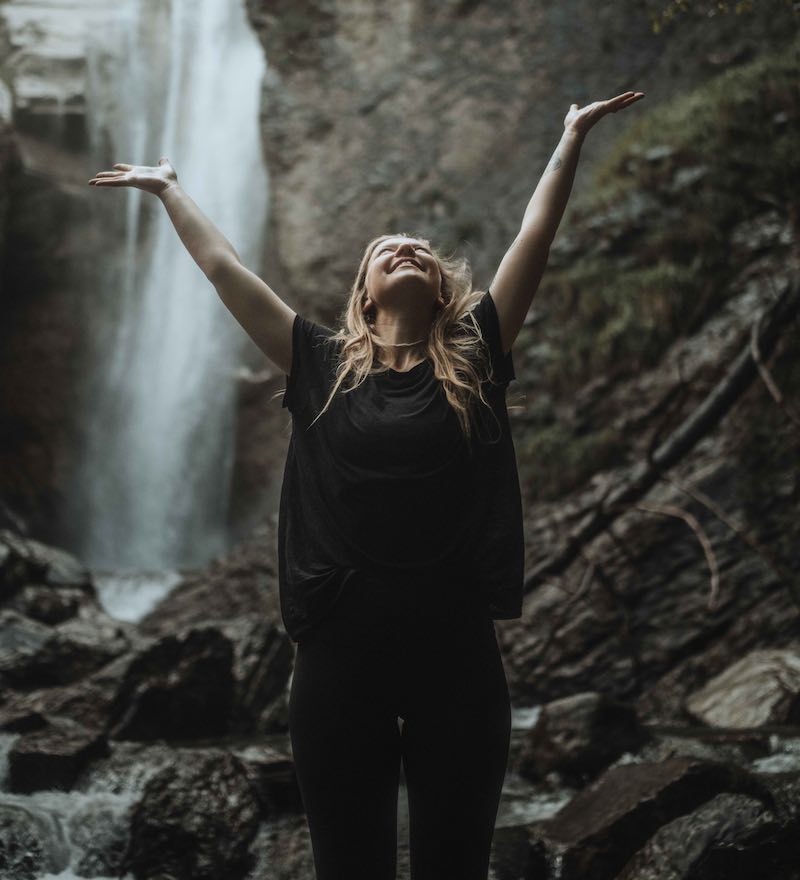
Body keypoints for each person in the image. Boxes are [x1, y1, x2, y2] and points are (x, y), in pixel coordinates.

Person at [88, 89, 644, 879]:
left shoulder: (480, 355)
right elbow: (224, 269)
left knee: (454, 865)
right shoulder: (317, 364)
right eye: (388, 248)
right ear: (363, 293)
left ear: (446, 291)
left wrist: (570, 136)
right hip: (339, 658)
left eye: (419, 247)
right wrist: (171, 188)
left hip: (457, 654)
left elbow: (534, 236)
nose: (406, 249)